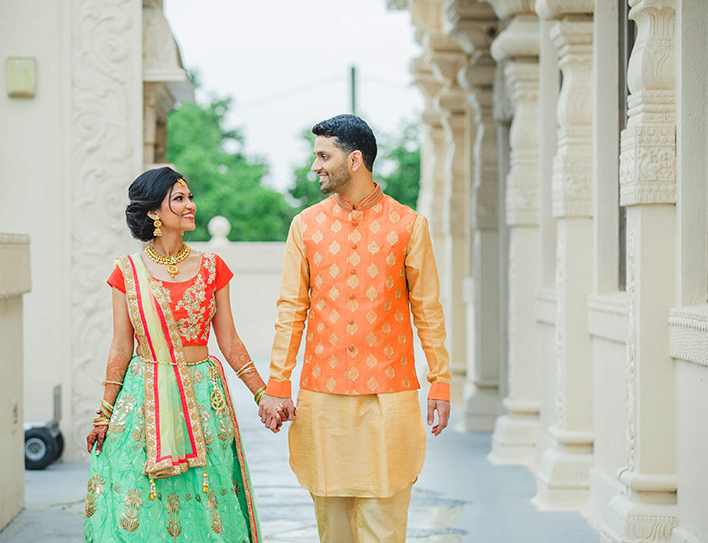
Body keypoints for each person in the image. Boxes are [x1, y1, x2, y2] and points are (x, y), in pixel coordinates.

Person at [258, 114, 452, 543]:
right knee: (333, 526)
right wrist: (277, 383)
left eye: (324, 156)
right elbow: (292, 309)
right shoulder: (305, 226)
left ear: (356, 159)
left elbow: (428, 312)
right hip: (323, 399)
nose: (316, 166)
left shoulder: (408, 225)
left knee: (385, 522)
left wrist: (440, 383)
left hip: (389, 396)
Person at [84, 166, 267, 543]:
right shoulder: (127, 271)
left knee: (206, 498)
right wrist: (104, 412)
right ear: (153, 212)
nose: (190, 206)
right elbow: (121, 345)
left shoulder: (212, 267)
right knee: (140, 498)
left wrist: (262, 393)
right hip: (143, 398)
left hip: (202, 397)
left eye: (189, 197)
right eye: (179, 199)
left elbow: (229, 340)